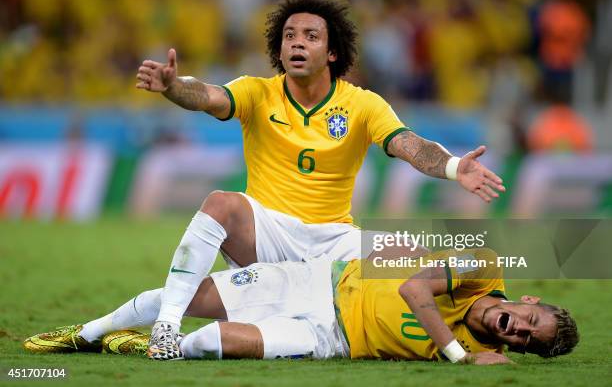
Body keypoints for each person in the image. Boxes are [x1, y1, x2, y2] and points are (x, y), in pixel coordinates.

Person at [134, 0, 506, 360]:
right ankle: (166, 327)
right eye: (290, 36)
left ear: (332, 52)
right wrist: (174, 87)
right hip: (268, 232)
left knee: (417, 258)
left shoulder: (362, 104)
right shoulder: (257, 92)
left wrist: (455, 167)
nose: (298, 42)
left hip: (333, 239)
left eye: (311, 36)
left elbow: (409, 145)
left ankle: (468, 334)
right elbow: (206, 95)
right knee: (222, 203)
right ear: (278, 50)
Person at [23, 248, 578, 364]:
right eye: (532, 319)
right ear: (528, 300)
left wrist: (475, 357)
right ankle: (88, 332)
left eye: (526, 338)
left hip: (331, 341)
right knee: (187, 299)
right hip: (316, 284)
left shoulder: (487, 349)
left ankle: (135, 344)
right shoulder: (482, 267)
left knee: (209, 344)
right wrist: (457, 355)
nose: (521, 329)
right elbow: (413, 290)